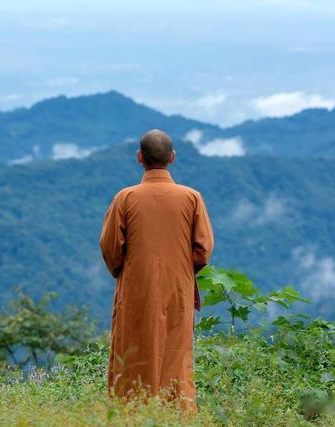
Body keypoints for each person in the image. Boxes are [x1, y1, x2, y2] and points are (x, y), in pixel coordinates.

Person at [99, 129, 215, 409]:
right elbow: (203, 249)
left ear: (139, 157)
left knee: (132, 351)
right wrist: (181, 271)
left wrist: (129, 272)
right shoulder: (191, 198)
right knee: (176, 353)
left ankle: (132, 411)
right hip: (178, 289)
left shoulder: (125, 198)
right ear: (172, 158)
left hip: (136, 289)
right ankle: (177, 411)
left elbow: (110, 248)